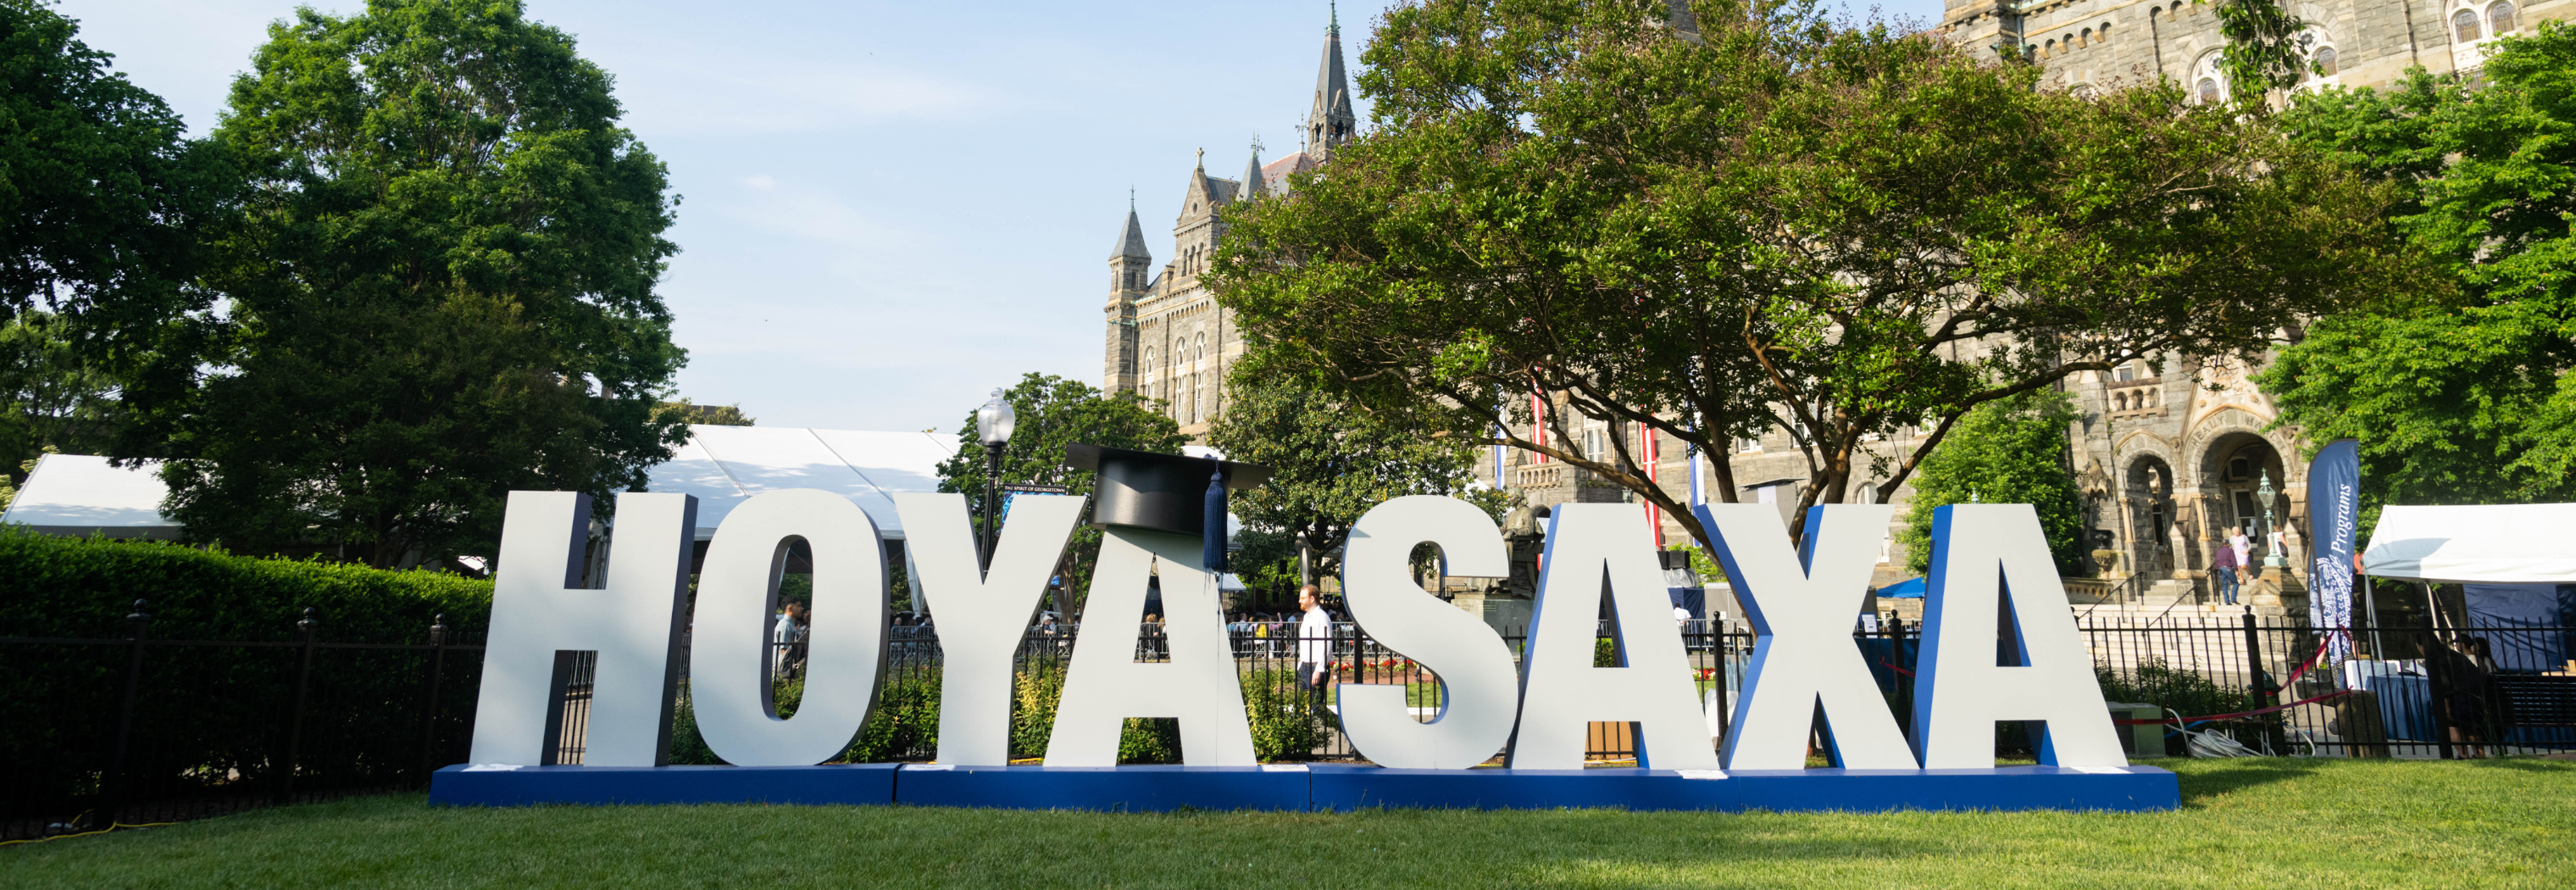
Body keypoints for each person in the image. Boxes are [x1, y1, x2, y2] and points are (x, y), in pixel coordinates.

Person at [1296, 585, 1335, 710]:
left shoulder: (1321, 617)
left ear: (1312, 599)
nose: (1299, 601)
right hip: (1305, 667)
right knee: (1302, 707)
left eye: (1302, 598)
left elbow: (1327, 643)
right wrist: (1301, 663)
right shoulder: (1307, 616)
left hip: (1315, 667)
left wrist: (1319, 669)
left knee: (1316, 708)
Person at [772, 600, 808, 680]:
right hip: (782, 676)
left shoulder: (789, 624)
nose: (802, 608)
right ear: (790, 608)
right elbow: (786, 654)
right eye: (799, 606)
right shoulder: (786, 625)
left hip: (783, 674)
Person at [2211, 537, 2240, 605]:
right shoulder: (2230, 551)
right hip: (2228, 568)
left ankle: (2227, 601)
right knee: (2235, 583)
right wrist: (2236, 569)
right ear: (2228, 544)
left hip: (2220, 568)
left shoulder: (2219, 551)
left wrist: (2217, 570)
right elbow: (2233, 560)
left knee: (2224, 585)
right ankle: (2233, 599)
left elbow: (2216, 561)